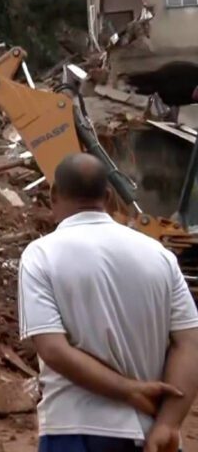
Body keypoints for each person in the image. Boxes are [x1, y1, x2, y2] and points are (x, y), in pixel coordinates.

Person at [18, 153, 198, 452]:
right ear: (109, 196)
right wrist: (169, 423)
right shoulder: (159, 255)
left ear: (53, 194)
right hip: (151, 432)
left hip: (75, 429)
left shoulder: (41, 255)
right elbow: (190, 342)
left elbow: (53, 349)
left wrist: (129, 391)